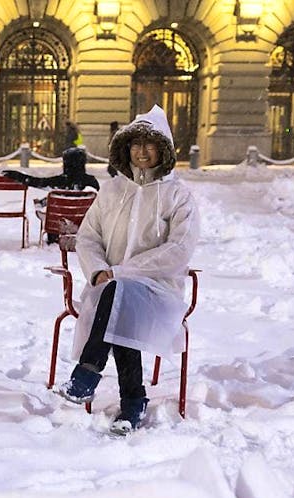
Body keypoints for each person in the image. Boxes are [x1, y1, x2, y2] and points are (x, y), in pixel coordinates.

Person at [56, 105, 199, 435]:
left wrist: (125, 271)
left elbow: (179, 249)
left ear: (163, 150)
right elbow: (89, 237)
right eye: (136, 144)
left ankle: (88, 376)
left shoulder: (178, 196)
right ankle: (133, 401)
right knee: (120, 301)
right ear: (126, 148)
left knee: (124, 298)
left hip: (159, 290)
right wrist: (99, 270)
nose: (142, 152)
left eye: (150, 145)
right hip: (107, 288)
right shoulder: (111, 191)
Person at [2, 146, 100, 244]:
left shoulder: (59, 181)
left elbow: (36, 182)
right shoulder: (92, 182)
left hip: (56, 229)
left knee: (53, 202)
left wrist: (17, 176)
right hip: (81, 228)